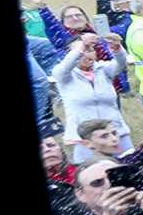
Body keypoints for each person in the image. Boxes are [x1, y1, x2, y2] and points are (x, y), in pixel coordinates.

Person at [51, 32, 135, 163]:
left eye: (89, 49)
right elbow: (64, 68)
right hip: (86, 137)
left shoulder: (103, 69)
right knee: (92, 174)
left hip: (115, 132)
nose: (86, 53)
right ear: (71, 55)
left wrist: (116, 47)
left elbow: (121, 62)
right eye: (82, 50)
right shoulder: (63, 74)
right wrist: (82, 46)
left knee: (130, 168)